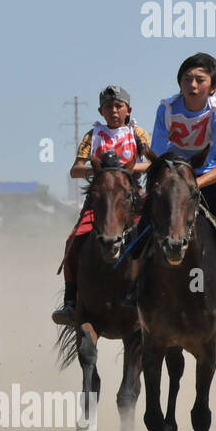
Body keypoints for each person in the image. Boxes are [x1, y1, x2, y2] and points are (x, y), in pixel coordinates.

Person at [149, 52, 216, 323]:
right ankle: (135, 286)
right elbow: (159, 156)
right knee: (142, 225)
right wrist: (176, 184)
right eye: (187, 79)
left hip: (212, 179)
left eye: (200, 79)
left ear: (213, 86)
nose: (193, 85)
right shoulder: (166, 108)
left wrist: (193, 185)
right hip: (175, 180)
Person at [51, 85, 151, 326]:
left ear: (128, 109)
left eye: (118, 106)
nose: (113, 111)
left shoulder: (138, 134)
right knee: (73, 240)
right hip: (99, 201)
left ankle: (155, 295)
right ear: (101, 111)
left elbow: (150, 164)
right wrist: (101, 173)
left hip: (133, 199)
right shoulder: (92, 136)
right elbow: (75, 170)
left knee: (155, 238)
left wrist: (121, 171)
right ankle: (70, 301)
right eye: (108, 107)